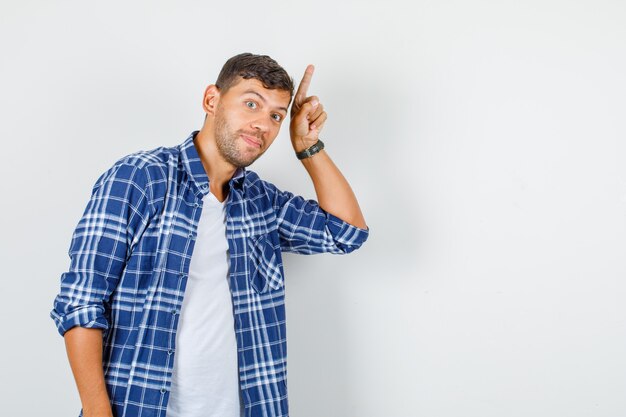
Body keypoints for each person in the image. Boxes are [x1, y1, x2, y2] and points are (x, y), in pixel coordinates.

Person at [50, 52, 369, 417]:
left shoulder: (262, 202)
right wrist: (96, 411)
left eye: (276, 115)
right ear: (211, 100)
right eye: (251, 103)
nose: (262, 124)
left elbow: (347, 232)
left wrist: (307, 147)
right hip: (140, 407)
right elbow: (81, 302)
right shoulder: (140, 179)